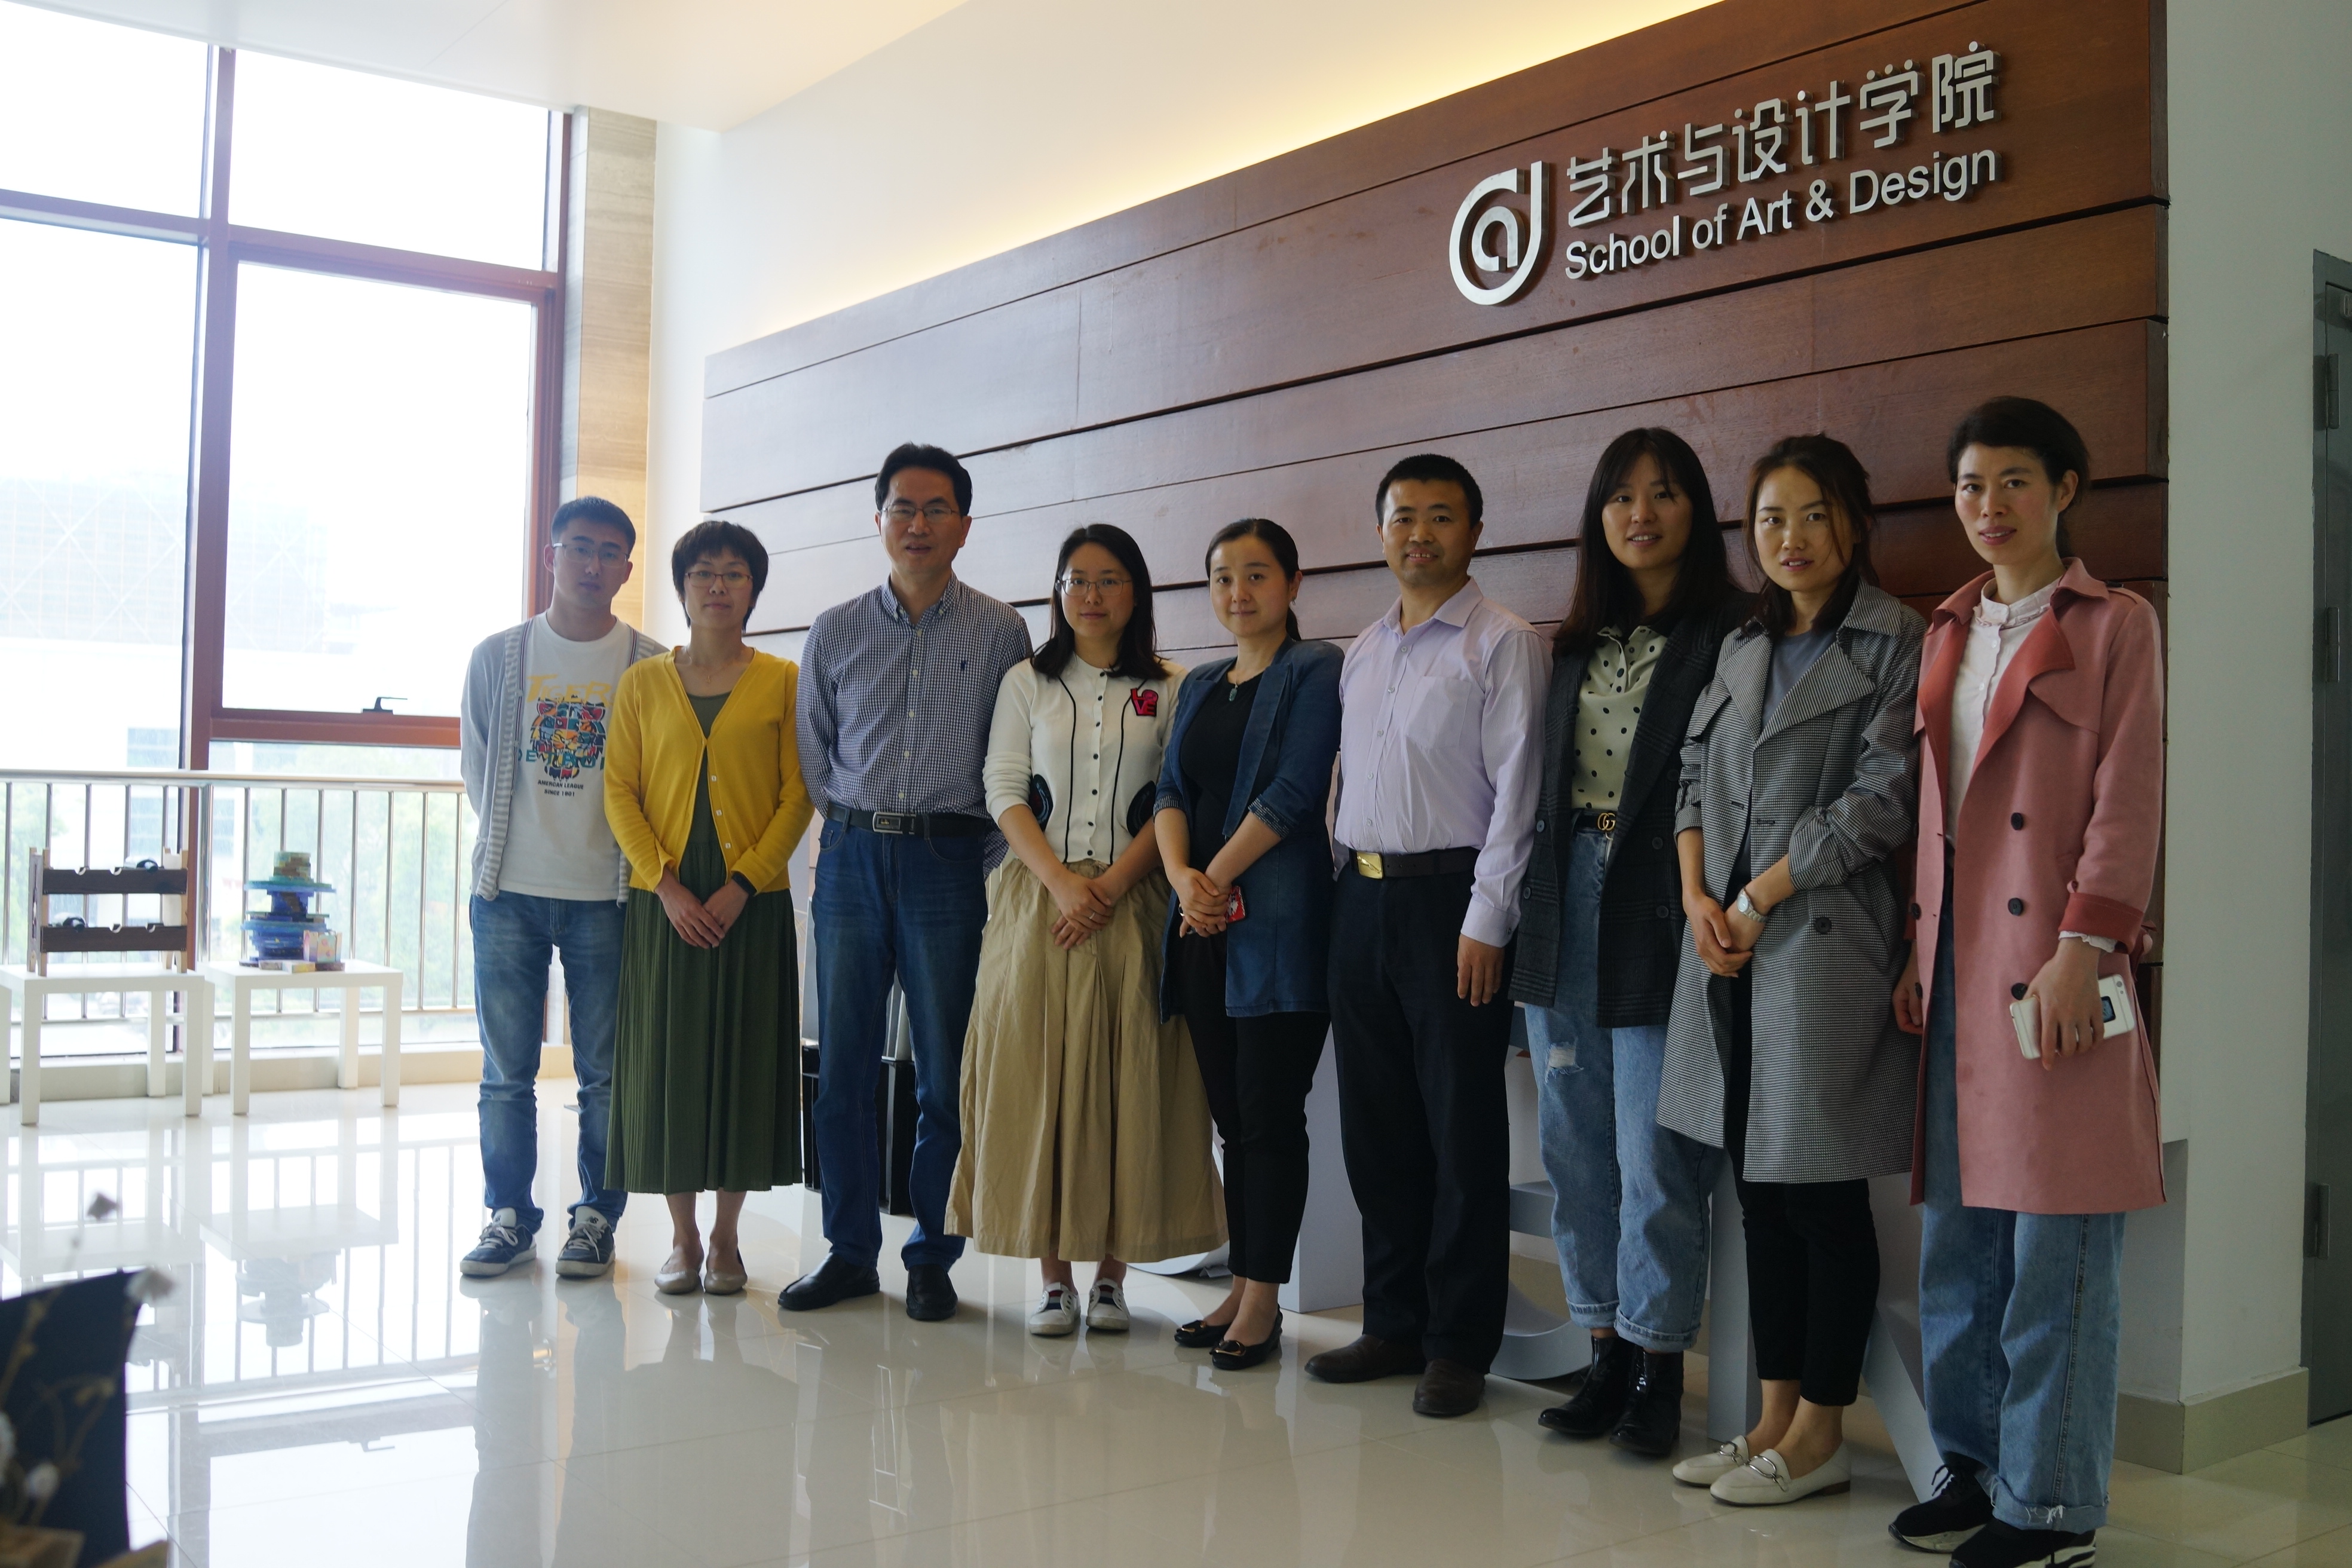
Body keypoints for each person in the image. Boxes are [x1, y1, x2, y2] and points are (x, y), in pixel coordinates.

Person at [1885, 399, 2164, 1568]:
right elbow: (1934, 814)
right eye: (1969, 485)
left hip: (2057, 968)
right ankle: (1974, 1465)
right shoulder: (1948, 627)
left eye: (2012, 481)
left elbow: (2127, 798)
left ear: (2065, 489)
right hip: (1956, 967)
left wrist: (2083, 948)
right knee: (1961, 1239)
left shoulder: (2116, 624)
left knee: (2059, 1245)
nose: (1987, 506)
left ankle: (2051, 1508)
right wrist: (1917, 951)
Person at [1659, 434, 1923, 1506]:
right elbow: (1690, 774)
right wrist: (1696, 897)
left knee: (1819, 1191)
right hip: (1723, 943)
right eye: (1772, 518)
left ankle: (1823, 1433)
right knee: (1756, 1192)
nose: (1792, 537)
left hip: (1819, 941)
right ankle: (1771, 1418)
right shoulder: (1743, 642)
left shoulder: (1895, 641)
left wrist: (1759, 894)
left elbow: (1882, 800)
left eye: (1815, 514)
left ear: (1854, 524)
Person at [1513, 430, 1747, 1454]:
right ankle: (1601, 1348)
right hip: (1564, 895)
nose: (1640, 514)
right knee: (1573, 1144)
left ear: (1697, 510)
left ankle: (1658, 1366)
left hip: (1667, 898)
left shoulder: (1734, 632)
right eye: (1620, 497)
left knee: (1659, 1151)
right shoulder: (1572, 644)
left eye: (1663, 494)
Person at [1303, 454, 1548, 1417]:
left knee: (1460, 1133)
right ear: (1380, 533)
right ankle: (1392, 1322)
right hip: (1359, 901)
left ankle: (1457, 1344)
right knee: (1379, 1132)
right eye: (1403, 517)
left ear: (1475, 532)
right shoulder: (1364, 649)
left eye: (1441, 516)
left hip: (1454, 905)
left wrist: (1489, 919)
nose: (1420, 534)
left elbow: (1519, 796)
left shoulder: (1503, 643)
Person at [948, 523, 1221, 1333]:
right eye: (1076, 580)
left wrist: (1109, 886)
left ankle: (1112, 1278)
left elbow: (1175, 795)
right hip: (1038, 898)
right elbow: (1002, 788)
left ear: (1136, 592)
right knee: (1039, 1078)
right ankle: (1053, 1278)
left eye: (1108, 580)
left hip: (1137, 900)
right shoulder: (1026, 682)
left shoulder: (1174, 685)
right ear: (1058, 593)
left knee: (1130, 1079)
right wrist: (1064, 885)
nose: (1091, 595)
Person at [787, 443, 1034, 1322]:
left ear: (964, 525)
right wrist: (855, 827)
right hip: (852, 860)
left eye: (936, 509)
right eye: (902, 507)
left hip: (948, 865)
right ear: (880, 519)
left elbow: (1014, 756)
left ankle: (933, 1255)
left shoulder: (1002, 632)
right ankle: (849, 1252)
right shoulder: (836, 628)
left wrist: (969, 853)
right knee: (844, 1071)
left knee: (944, 1075)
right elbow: (814, 749)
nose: (918, 524)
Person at [602, 519, 813, 1293]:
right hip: (664, 902)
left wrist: (743, 883)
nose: (717, 585)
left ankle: (727, 1237)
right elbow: (619, 791)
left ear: (754, 590)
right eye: (702, 573)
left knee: (744, 1064)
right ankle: (682, 1238)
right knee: (669, 1066)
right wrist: (665, 884)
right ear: (682, 587)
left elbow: (799, 794)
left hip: (751, 902)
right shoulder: (642, 683)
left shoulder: (784, 681)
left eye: (733, 573)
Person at [1154, 519, 1345, 1371]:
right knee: (1232, 1119)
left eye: (1258, 574)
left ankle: (1264, 1301)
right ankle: (1240, 1285)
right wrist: (1181, 880)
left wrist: (1214, 880)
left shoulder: (1316, 669)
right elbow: (1168, 790)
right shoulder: (1200, 683)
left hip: (1278, 926)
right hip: (1199, 925)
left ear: (1294, 584)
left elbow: (1297, 789)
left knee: (1270, 1115)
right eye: (1223, 576)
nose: (1239, 592)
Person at [458, 497, 663, 1280]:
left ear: (626, 569)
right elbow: (479, 767)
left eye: (609, 553)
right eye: (578, 547)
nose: (591, 564)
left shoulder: (650, 665)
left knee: (605, 1074)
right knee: (505, 1073)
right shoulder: (498, 657)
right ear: (551, 556)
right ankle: (508, 1217)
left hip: (607, 898)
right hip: (507, 892)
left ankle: (596, 1218)